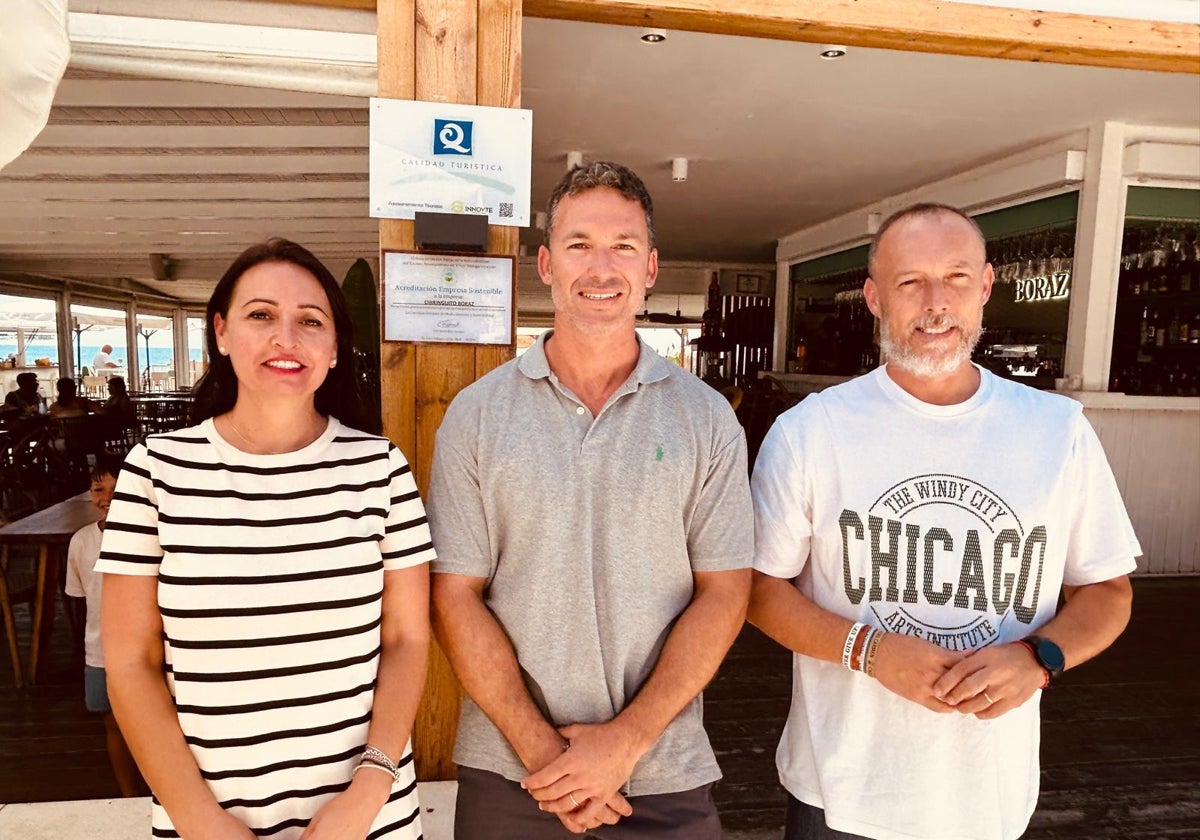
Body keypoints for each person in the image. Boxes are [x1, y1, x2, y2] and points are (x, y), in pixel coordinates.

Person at [747, 203, 1139, 840]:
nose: (935, 303)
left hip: (990, 793)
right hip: (840, 791)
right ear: (874, 298)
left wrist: (1041, 659)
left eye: (956, 278)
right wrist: (868, 650)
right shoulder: (810, 431)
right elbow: (759, 591)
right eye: (910, 282)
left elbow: (1108, 589)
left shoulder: (1056, 429)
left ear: (985, 287)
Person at [428, 161, 753, 839]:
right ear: (545, 264)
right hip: (513, 770)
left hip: (663, 769)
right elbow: (455, 594)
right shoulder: (477, 415)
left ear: (652, 267)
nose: (601, 268)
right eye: (579, 245)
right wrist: (546, 752)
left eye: (623, 247)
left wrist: (627, 741)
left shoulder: (706, 418)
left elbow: (724, 591)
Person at [97, 238, 435, 839]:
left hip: (367, 821)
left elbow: (407, 640)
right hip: (206, 821)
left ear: (334, 349)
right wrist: (200, 820)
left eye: (311, 321)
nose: (287, 338)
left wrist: (369, 792)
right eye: (261, 315)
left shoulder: (379, 469)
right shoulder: (156, 471)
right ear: (222, 332)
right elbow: (130, 664)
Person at [64, 459, 147, 797]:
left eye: (117, 489)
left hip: (145, 650)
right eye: (99, 489)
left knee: (153, 725)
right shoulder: (82, 542)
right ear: (89, 493)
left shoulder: (149, 534)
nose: (107, 497)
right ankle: (129, 796)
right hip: (100, 653)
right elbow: (80, 598)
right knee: (113, 725)